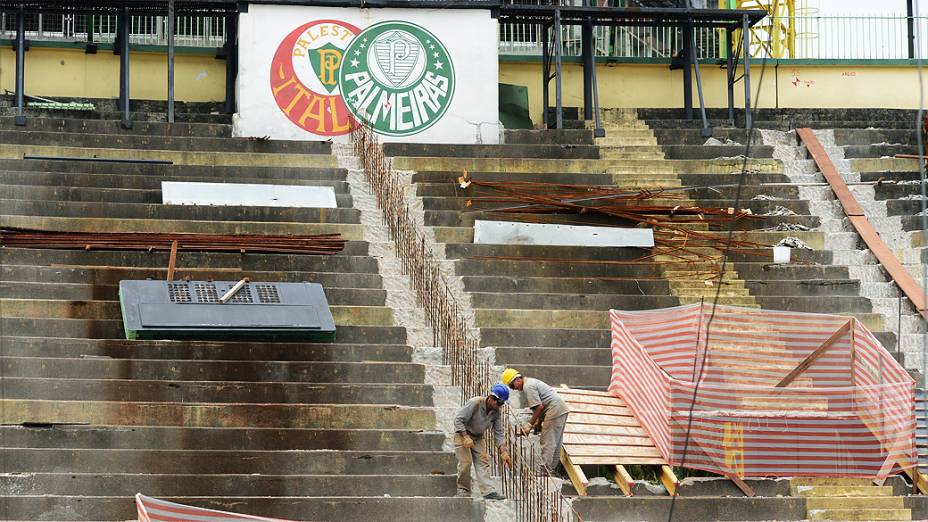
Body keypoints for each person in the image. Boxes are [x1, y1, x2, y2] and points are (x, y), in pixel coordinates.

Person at [501, 368, 569, 475]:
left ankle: (545, 470)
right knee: (556, 441)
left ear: (517, 380)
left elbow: (539, 407)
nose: (513, 389)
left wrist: (529, 425)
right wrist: (538, 422)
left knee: (547, 440)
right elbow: (542, 404)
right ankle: (551, 470)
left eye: (512, 386)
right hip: (560, 409)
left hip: (554, 410)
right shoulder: (531, 382)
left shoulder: (528, 387)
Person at [452, 383, 513, 500]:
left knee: (483, 462)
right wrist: (465, 436)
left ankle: (488, 492)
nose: (501, 406)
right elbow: (458, 420)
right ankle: (463, 489)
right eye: (500, 403)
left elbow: (498, 433)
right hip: (462, 433)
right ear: (492, 398)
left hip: (478, 437)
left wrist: (503, 451)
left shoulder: (496, 413)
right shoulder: (475, 403)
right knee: (466, 462)